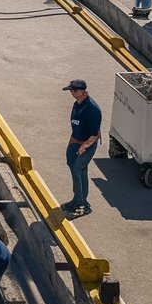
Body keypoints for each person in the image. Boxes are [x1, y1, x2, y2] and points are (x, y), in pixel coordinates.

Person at [63, 78, 102, 217]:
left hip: (87, 144)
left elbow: (94, 134)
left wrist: (84, 147)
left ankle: (81, 203)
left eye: (73, 90)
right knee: (75, 166)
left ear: (81, 91)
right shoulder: (76, 104)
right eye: (71, 90)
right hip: (76, 141)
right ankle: (78, 199)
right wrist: (71, 143)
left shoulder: (92, 109)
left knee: (77, 170)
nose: (71, 93)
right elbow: (75, 126)